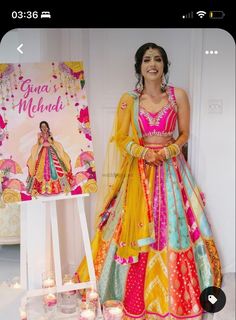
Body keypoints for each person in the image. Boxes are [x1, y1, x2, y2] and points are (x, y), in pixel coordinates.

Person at [75, 43, 222, 320]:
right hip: (138, 170)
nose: (152, 64)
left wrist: (170, 149)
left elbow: (185, 132)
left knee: (174, 225)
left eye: (157, 59)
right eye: (146, 60)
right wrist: (142, 151)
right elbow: (120, 137)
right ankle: (120, 291)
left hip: (170, 168)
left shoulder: (178, 95)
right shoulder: (128, 100)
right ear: (139, 68)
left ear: (165, 65)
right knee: (127, 224)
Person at [26, 121, 74, 196]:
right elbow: (39, 143)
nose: (44, 128)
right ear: (40, 128)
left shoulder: (50, 134)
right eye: (42, 126)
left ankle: (59, 186)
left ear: (47, 127)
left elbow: (52, 142)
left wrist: (50, 140)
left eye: (45, 126)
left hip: (51, 151)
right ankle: (43, 188)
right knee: (41, 167)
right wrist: (41, 140)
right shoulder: (39, 135)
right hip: (43, 151)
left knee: (54, 166)